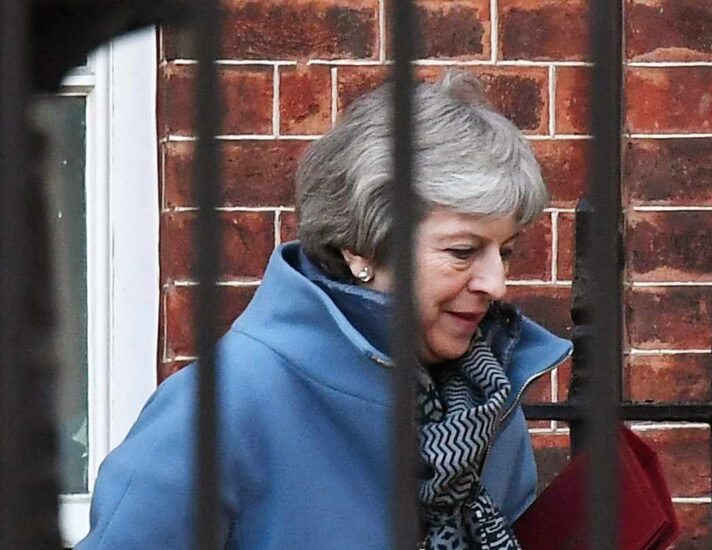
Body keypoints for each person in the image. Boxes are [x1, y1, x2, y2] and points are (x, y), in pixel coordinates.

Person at [76, 71, 572, 549]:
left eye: (504, 251)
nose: (496, 284)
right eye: (462, 251)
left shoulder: (483, 402)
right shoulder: (222, 409)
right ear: (360, 248)